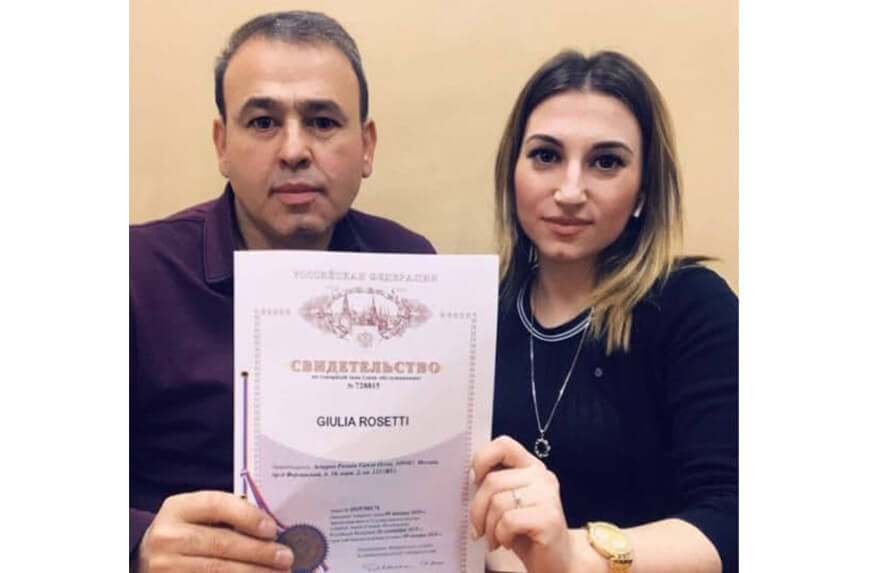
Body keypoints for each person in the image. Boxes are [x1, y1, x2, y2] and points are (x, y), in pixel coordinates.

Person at [130, 11, 435, 572]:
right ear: (223, 144)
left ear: (366, 146)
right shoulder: (134, 274)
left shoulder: (410, 266)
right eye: (264, 122)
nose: (294, 150)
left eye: (322, 121)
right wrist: (136, 545)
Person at [469, 51, 737, 573]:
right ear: (512, 174)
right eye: (546, 156)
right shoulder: (480, 312)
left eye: (606, 162)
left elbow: (734, 519)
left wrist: (571, 555)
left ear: (644, 191)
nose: (570, 192)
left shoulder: (694, 308)